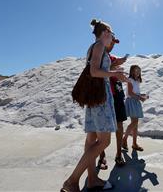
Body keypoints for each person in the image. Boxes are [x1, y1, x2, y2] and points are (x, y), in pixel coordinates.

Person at [61, 19, 129, 192]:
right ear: (105, 33)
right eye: (111, 34)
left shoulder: (95, 47)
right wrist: (115, 74)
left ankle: (92, 179)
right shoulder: (99, 46)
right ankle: (72, 181)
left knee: (91, 140)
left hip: (95, 99)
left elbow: (97, 67)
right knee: (104, 141)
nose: (112, 38)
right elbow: (94, 72)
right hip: (101, 100)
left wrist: (113, 67)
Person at [98, 36, 129, 169]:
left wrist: (123, 77)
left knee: (120, 124)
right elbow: (100, 71)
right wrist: (115, 65)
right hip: (105, 95)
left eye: (114, 43)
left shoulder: (112, 57)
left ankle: (118, 154)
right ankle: (101, 155)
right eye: (112, 42)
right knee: (103, 127)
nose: (113, 45)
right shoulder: (99, 56)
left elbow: (116, 74)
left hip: (117, 94)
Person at [122, 65, 148, 152]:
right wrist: (140, 98)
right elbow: (130, 93)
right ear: (132, 71)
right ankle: (124, 138)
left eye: (139, 71)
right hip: (131, 102)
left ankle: (134, 143)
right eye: (136, 71)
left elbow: (136, 93)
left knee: (135, 124)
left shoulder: (137, 81)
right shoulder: (130, 80)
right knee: (135, 122)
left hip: (136, 102)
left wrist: (142, 95)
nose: (137, 73)